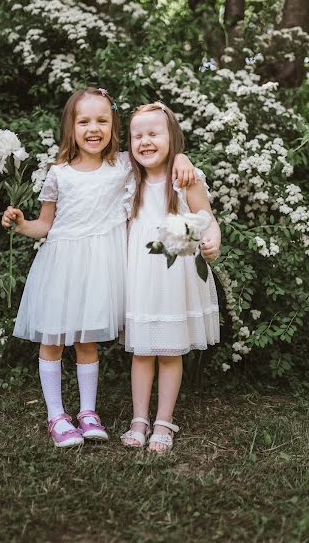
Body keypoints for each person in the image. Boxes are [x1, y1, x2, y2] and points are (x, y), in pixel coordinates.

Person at [1, 88, 196, 448]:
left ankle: (88, 413)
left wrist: (182, 156)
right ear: (70, 127)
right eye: (84, 121)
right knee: (53, 341)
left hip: (100, 267)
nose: (94, 128)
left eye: (102, 121)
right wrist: (20, 223)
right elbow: (44, 225)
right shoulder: (58, 173)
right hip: (61, 264)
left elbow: (158, 154)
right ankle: (56, 415)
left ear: (113, 126)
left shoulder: (122, 164)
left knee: (86, 341)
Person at [121, 102, 221, 453]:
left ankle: (163, 420)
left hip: (174, 276)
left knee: (168, 350)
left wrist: (211, 242)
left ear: (171, 138)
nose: (145, 141)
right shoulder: (128, 180)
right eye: (137, 135)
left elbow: (206, 217)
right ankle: (138, 418)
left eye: (154, 134)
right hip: (140, 276)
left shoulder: (185, 178)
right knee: (142, 350)